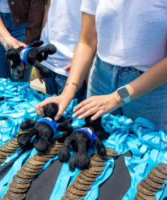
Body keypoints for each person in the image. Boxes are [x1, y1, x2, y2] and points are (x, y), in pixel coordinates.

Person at [36, 0, 167, 128]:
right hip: (100, 80)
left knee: (143, 147)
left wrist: (116, 98)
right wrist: (68, 92)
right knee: (94, 143)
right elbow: (86, 42)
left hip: (150, 90)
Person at [0, 0, 46, 82]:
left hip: (23, 24)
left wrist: (32, 38)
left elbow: (38, 3)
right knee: (0, 82)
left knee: (20, 80)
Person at [38, 0, 86, 98]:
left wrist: (86, 64)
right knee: (50, 111)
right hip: (49, 61)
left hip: (72, 66)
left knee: (72, 112)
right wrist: (41, 52)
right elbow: (49, 7)